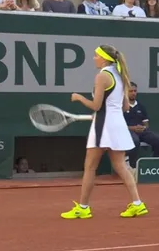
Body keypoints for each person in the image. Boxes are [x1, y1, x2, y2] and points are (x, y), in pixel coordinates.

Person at [61, 45, 148, 219]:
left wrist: (79, 98)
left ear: (104, 58)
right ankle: (138, 204)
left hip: (103, 127)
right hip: (117, 125)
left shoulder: (102, 76)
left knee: (90, 167)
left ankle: (83, 208)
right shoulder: (120, 75)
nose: (94, 58)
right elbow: (124, 107)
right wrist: (104, 113)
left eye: (96, 56)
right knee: (122, 166)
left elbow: (96, 106)